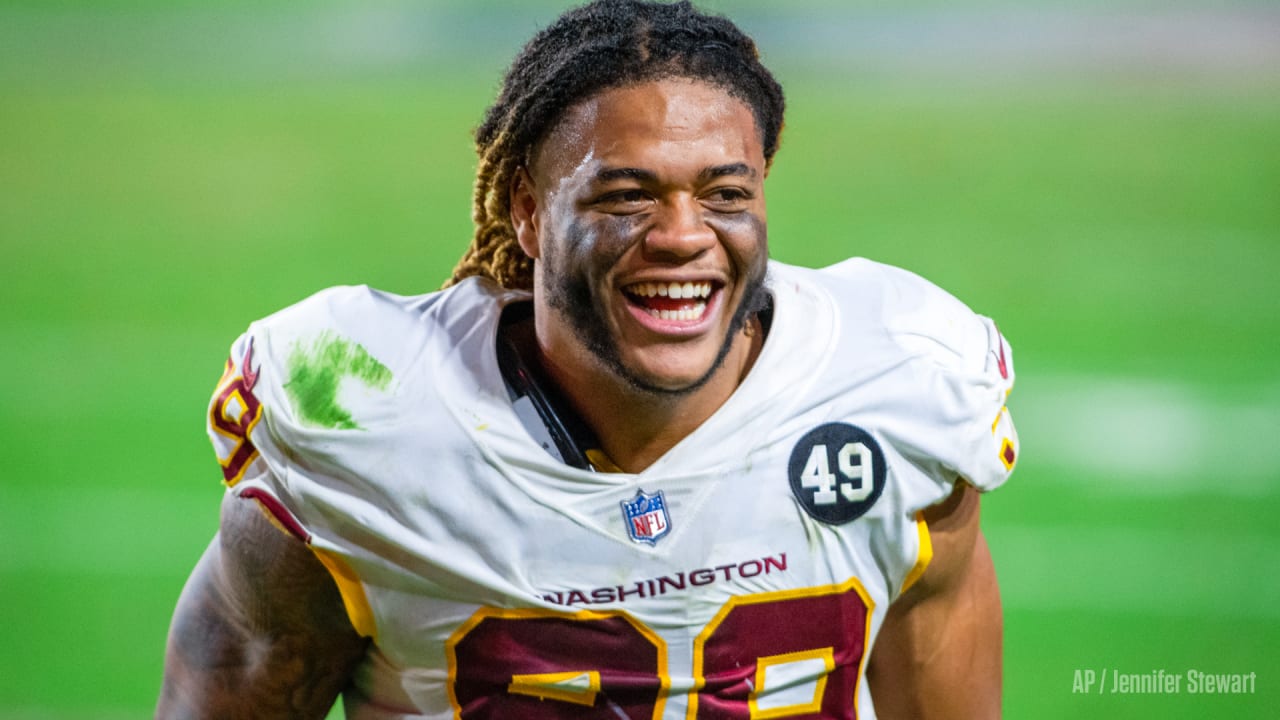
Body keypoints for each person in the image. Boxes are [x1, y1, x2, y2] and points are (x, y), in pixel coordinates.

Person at [157, 1, 1019, 717]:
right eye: (626, 195)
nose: (684, 236)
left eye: (725, 193)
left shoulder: (898, 381)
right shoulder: (369, 414)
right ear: (529, 214)